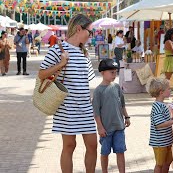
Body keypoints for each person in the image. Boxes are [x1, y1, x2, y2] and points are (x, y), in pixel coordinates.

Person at [38, 14, 97, 173]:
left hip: (85, 106)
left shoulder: (85, 53)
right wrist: (62, 63)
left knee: (92, 145)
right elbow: (42, 74)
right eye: (89, 32)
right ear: (79, 28)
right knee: (70, 145)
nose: (91, 36)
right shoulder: (58, 49)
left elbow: (85, 82)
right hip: (66, 107)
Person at [92, 58, 131, 173]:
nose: (114, 75)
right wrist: (100, 127)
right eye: (111, 72)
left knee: (120, 151)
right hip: (106, 129)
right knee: (105, 153)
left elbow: (122, 104)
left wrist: (127, 116)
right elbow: (96, 112)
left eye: (115, 72)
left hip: (119, 127)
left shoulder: (117, 87)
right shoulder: (98, 91)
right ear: (102, 73)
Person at [146, 77, 173, 173]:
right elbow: (160, 124)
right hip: (160, 142)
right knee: (160, 164)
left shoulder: (161, 105)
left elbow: (162, 121)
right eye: (168, 89)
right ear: (161, 92)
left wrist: (171, 119)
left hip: (166, 141)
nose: (170, 90)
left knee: (168, 161)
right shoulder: (158, 106)